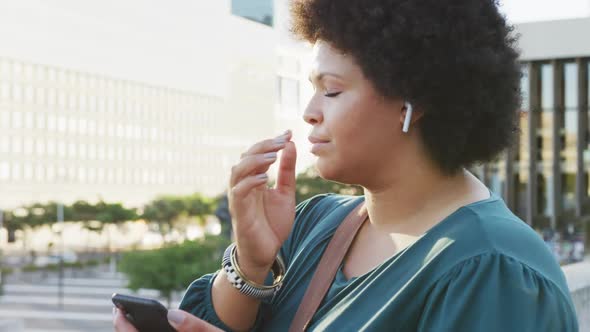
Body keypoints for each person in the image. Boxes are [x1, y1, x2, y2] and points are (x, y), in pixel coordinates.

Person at [114, 0, 579, 331]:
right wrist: (252, 264)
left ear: (414, 101)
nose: (310, 111)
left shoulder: (493, 271)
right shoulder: (316, 222)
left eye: (331, 90)